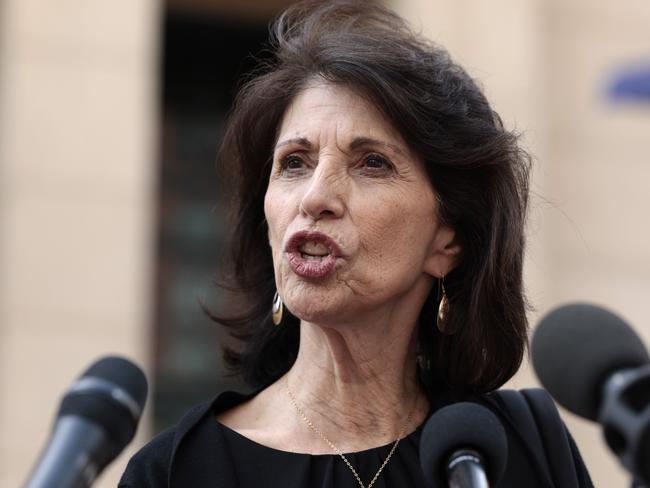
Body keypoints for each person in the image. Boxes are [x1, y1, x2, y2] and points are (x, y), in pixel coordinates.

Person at [120, 1, 593, 486]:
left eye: (372, 163)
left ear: (447, 241)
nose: (316, 197)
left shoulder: (523, 451)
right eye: (294, 163)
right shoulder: (180, 471)